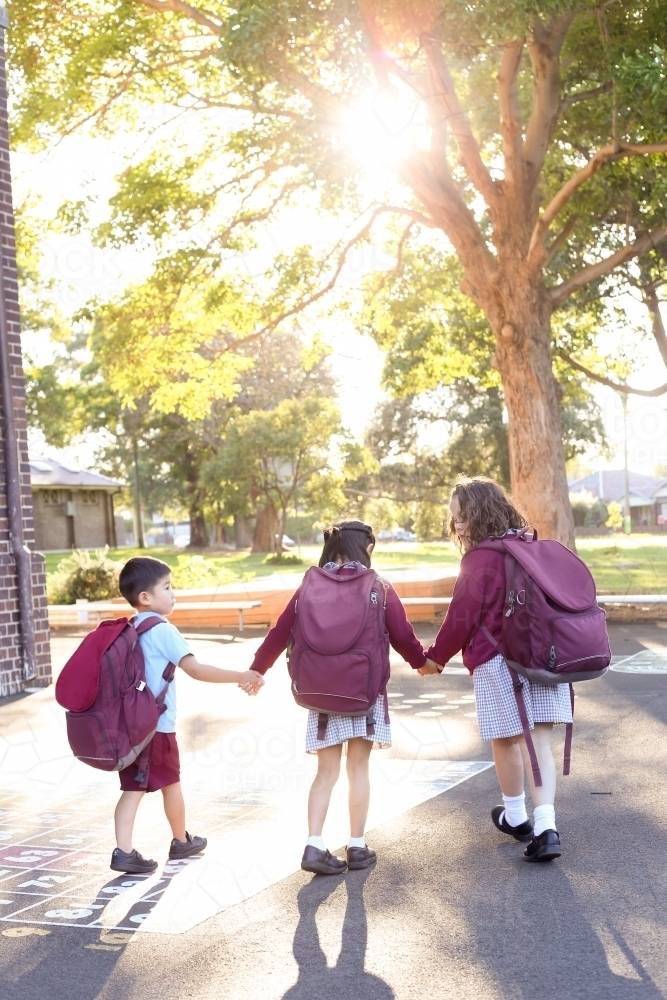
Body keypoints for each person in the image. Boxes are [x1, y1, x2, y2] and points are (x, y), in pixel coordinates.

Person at [249, 520, 434, 875]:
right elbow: (402, 634)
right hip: (362, 691)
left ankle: (314, 844)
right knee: (358, 768)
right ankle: (357, 846)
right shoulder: (377, 584)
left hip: (320, 691)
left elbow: (281, 630)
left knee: (326, 771)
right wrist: (423, 662)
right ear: (365, 547)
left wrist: (258, 669)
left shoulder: (310, 584)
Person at [419, 477, 572, 862]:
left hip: (498, 661)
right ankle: (542, 824)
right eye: (454, 519)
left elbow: (461, 617)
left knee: (505, 738)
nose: (457, 526)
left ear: (479, 514)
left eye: (462, 517)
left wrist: (435, 657)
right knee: (537, 741)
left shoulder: (480, 559)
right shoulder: (529, 546)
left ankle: (523, 818)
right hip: (543, 657)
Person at [111, 556, 264, 874]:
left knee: (132, 789)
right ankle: (181, 841)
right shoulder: (163, 629)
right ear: (146, 597)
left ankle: (123, 850)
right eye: (167, 587)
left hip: (131, 727)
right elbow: (195, 668)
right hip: (158, 727)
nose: (173, 593)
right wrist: (241, 675)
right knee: (171, 784)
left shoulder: (130, 627)